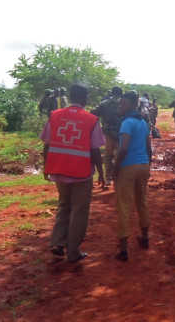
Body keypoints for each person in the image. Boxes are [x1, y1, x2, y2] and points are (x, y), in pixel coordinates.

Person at [41, 83, 105, 263]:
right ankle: (73, 252)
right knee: (79, 210)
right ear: (84, 98)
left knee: (64, 205)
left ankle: (57, 244)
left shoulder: (55, 115)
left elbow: (47, 144)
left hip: (59, 169)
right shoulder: (91, 119)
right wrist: (100, 172)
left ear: (70, 96)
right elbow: (95, 151)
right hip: (81, 172)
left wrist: (46, 167)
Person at [113, 91, 152, 261]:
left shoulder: (126, 123)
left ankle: (123, 251)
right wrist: (147, 165)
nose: (120, 106)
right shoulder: (143, 122)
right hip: (143, 166)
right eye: (119, 104)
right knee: (142, 202)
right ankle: (145, 238)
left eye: (124, 104)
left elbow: (124, 148)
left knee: (123, 206)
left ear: (132, 106)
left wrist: (116, 166)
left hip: (128, 167)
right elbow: (149, 148)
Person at [91, 86, 124, 186]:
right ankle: (119, 177)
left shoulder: (104, 103)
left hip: (108, 133)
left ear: (112, 93)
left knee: (108, 155)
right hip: (123, 133)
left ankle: (108, 178)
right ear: (121, 93)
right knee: (121, 155)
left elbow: (93, 113)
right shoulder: (125, 103)